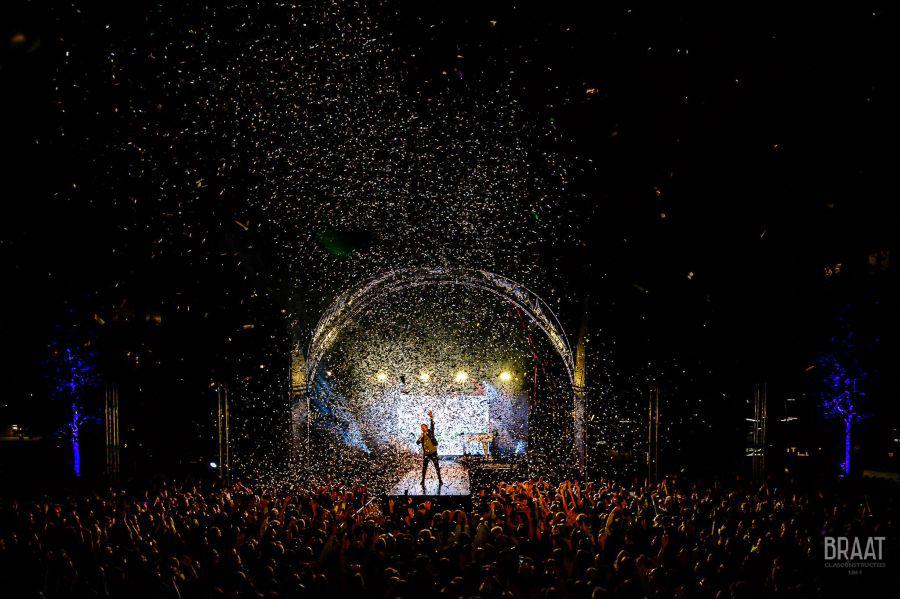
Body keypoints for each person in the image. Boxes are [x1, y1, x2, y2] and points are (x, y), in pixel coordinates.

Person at [417, 410, 442, 487]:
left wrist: (431, 417)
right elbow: (417, 443)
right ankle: (422, 480)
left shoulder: (430, 432)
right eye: (422, 428)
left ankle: (440, 479)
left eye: (424, 427)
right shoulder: (422, 436)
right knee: (424, 468)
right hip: (426, 454)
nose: (423, 429)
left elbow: (432, 425)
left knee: (436, 466)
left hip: (433, 452)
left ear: (426, 428)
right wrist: (420, 438)